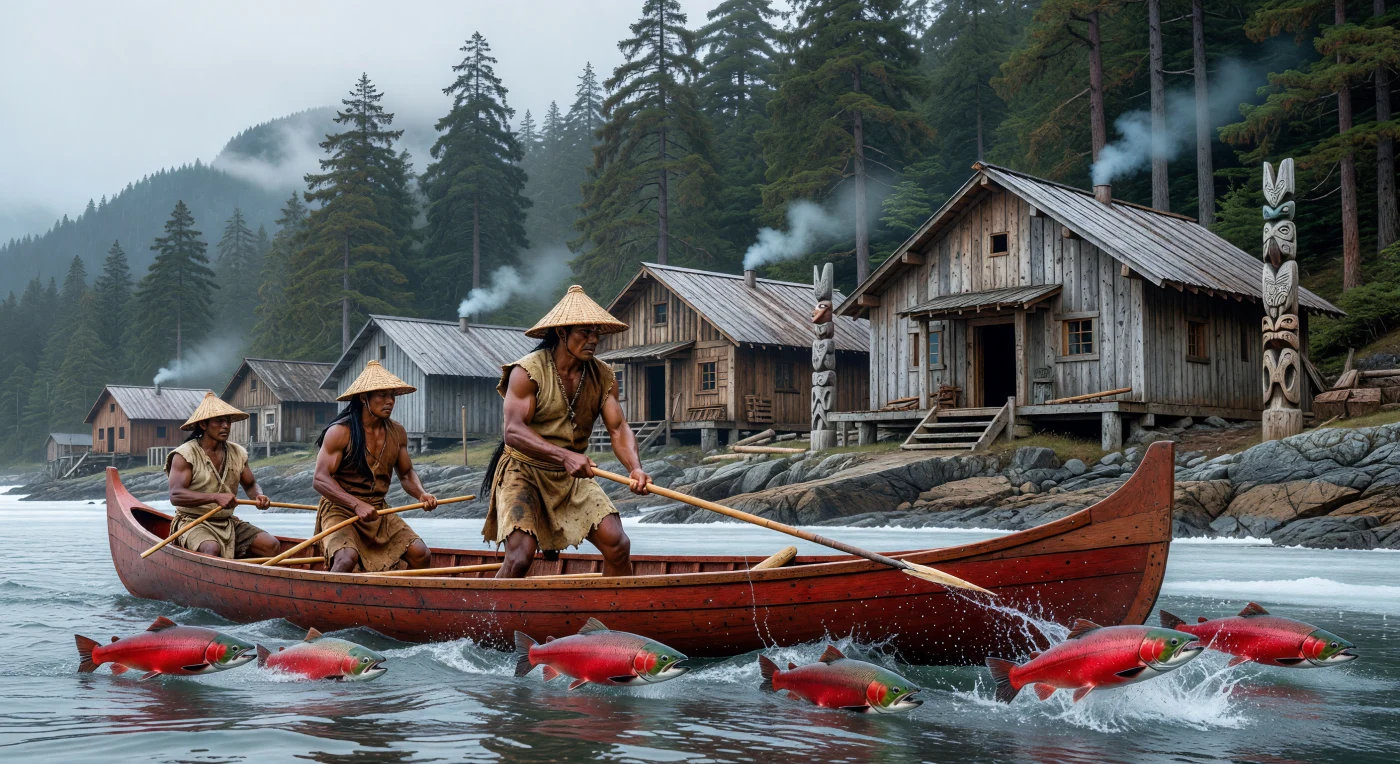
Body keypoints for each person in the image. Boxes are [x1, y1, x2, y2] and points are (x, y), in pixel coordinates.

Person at [483, 285, 651, 578]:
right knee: (520, 557)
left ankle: (611, 617)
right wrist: (564, 456)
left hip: (572, 476)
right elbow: (513, 431)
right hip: (524, 471)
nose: (593, 340)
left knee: (618, 544)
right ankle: (489, 621)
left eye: (596, 333)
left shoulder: (604, 376)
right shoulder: (527, 372)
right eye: (584, 333)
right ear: (562, 334)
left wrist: (635, 469)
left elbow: (618, 428)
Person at [313, 360, 438, 573]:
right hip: (340, 509)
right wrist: (356, 505)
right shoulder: (341, 431)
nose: (389, 401)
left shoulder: (397, 432)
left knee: (420, 554)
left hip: (378, 510)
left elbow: (406, 473)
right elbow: (320, 478)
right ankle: (332, 603)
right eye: (382, 395)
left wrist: (421, 494)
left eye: (392, 395)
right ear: (364, 398)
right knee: (346, 558)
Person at [165, 392, 278, 559]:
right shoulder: (185, 454)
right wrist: (215, 497)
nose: (225, 426)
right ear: (203, 424)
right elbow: (176, 495)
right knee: (211, 549)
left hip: (227, 522)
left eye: (228, 421)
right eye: (219, 421)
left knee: (271, 546)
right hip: (192, 522)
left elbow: (250, 484)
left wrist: (259, 496)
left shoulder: (237, 452)